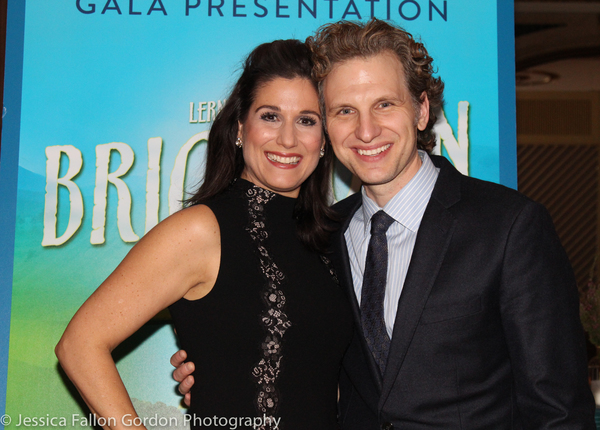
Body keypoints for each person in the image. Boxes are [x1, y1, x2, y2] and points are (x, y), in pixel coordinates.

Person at [173, 19, 597, 429]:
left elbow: (559, 411)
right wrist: (224, 372)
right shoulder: (321, 235)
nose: (366, 130)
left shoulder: (509, 227)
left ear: (421, 109)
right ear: (325, 129)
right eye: (344, 111)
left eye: (384, 105)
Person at [56, 39, 353, 430]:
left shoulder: (337, 237)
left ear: (325, 140)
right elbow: (80, 345)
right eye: (269, 116)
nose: (287, 139)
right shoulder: (201, 229)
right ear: (239, 128)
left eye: (306, 120)